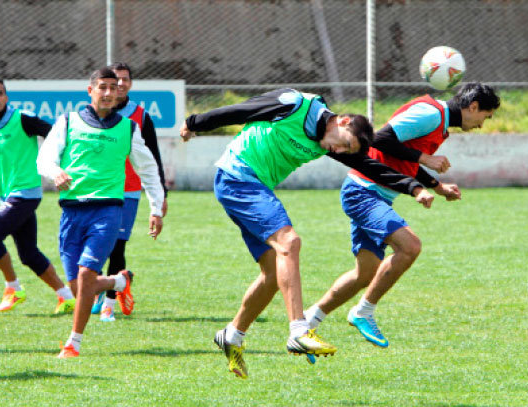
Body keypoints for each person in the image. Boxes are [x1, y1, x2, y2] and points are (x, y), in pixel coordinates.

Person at [180, 88, 434, 379]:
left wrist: (414, 187)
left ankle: (232, 335)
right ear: (344, 121)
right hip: (238, 177)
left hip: (252, 185)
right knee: (289, 242)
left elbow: (368, 166)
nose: (337, 153)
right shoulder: (295, 104)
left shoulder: (329, 141)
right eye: (345, 145)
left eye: (344, 152)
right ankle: (298, 330)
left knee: (274, 274)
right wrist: (195, 122)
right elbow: (242, 111)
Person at [304, 82, 501, 348]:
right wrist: (425, 158)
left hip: (375, 194)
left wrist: (437, 187)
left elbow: (403, 159)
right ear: (473, 107)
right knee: (410, 247)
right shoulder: (431, 114)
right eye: (485, 117)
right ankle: (364, 312)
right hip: (363, 191)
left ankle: (308, 322)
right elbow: (380, 138)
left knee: (365, 274)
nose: (482, 124)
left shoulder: (439, 122)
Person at [37, 67, 165, 359]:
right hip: (71, 212)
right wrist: (55, 172)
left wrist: (156, 207)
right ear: (90, 90)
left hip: (108, 210)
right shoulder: (68, 121)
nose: (109, 92)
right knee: (77, 284)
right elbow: (45, 158)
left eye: (114, 87)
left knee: (85, 276)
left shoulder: (128, 128)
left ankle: (74, 342)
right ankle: (118, 282)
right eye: (103, 87)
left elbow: (148, 169)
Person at [0, 77, 75, 314]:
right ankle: (66, 297)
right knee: (28, 253)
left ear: (6, 98)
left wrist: (57, 167)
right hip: (8, 196)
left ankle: (13, 288)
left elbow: (55, 135)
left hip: (26, 193)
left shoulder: (22, 119)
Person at [90, 62, 168, 322]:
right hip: (99, 189)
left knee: (117, 246)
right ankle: (100, 290)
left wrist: (161, 195)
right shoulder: (93, 115)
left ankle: (108, 305)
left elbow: (152, 158)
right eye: (115, 81)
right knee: (95, 245)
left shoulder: (141, 116)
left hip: (129, 190)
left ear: (130, 84)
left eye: (124, 80)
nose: (120, 85)